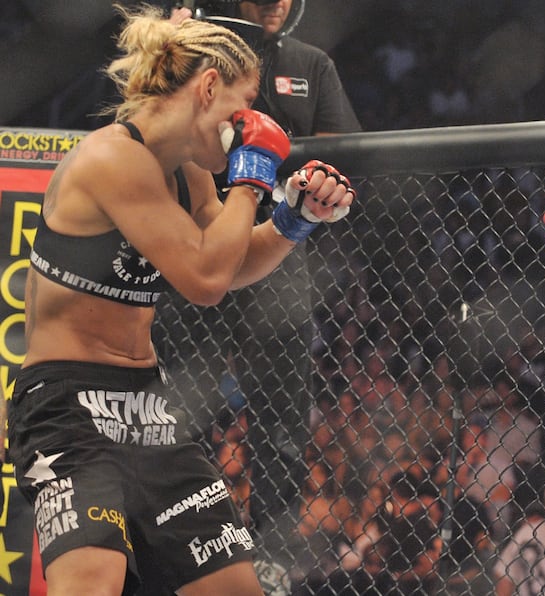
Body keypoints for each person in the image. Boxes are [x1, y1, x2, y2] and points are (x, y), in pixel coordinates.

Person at [7, 5, 355, 595]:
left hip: (146, 405)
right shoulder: (112, 159)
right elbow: (203, 280)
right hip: (66, 404)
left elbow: (232, 260)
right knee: (93, 583)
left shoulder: (188, 171)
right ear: (208, 87)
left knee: (233, 588)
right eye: (241, 109)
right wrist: (252, 178)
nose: (247, 125)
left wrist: (294, 219)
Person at [154, 0, 362, 534]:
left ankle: (272, 553)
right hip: (192, 236)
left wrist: (300, 186)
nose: (274, 5)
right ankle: (174, 541)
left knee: (283, 416)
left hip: (273, 241)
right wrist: (174, 53)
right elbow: (154, 125)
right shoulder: (192, 55)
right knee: (178, 405)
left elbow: (347, 155)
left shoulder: (310, 63)